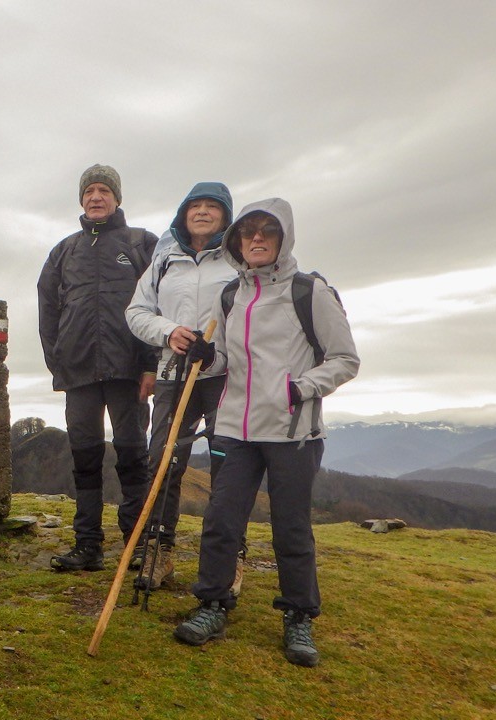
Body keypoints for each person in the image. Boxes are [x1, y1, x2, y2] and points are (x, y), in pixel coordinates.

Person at [172, 198, 358, 667]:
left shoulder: (309, 291)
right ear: (235, 240)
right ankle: (212, 604)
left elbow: (345, 360)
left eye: (267, 232)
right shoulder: (231, 295)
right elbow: (227, 361)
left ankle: (299, 616)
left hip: (293, 431)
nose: (256, 239)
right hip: (235, 427)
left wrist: (300, 388)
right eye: (247, 232)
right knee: (221, 520)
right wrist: (205, 358)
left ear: (283, 238)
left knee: (290, 528)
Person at [38, 164, 159, 572]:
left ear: (117, 198)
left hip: (129, 371)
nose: (96, 197)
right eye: (89, 190)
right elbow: (48, 309)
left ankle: (137, 544)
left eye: (104, 190)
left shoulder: (142, 243)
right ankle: (87, 545)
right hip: (79, 374)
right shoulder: (64, 251)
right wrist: (58, 362)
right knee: (85, 460)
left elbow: (159, 306)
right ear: (81, 199)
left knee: (132, 457)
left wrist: (151, 365)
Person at [125, 182, 240, 591]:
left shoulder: (238, 259)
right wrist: (169, 331)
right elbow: (136, 312)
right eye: (196, 205)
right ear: (183, 213)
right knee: (164, 460)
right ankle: (160, 552)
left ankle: (230, 559)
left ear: (227, 216)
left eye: (213, 206)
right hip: (175, 374)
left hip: (227, 377)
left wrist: (219, 352)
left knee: (229, 467)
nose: (204, 212)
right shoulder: (164, 260)